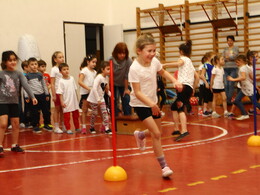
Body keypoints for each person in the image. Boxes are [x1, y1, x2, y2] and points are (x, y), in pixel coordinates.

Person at [129, 34, 183, 178]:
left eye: (154, 51)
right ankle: (164, 167)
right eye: (149, 51)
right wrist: (152, 104)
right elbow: (137, 92)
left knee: (158, 131)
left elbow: (162, 71)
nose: (152, 54)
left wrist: (174, 80)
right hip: (140, 104)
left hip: (153, 101)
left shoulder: (154, 62)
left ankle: (140, 135)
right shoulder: (134, 68)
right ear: (139, 51)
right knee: (157, 134)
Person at [0, 51, 37, 157]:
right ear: (5, 62)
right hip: (2, 102)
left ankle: (14, 145)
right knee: (3, 124)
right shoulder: (1, 74)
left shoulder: (19, 73)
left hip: (14, 102)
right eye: (10, 60)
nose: (13, 62)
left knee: (16, 124)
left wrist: (32, 96)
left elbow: (26, 85)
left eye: (14, 60)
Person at [165, 40, 199, 141]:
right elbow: (197, 77)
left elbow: (179, 63)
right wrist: (193, 88)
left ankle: (184, 130)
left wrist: (164, 65)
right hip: (188, 87)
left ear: (181, 52)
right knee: (174, 107)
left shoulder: (183, 59)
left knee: (180, 108)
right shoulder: (190, 62)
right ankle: (176, 129)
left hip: (183, 87)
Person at [227, 55, 260, 120]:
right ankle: (244, 114)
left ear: (241, 61)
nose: (236, 64)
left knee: (255, 103)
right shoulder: (247, 67)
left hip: (248, 88)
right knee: (237, 100)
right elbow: (252, 78)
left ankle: (244, 114)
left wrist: (233, 79)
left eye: (237, 62)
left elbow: (243, 77)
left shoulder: (242, 68)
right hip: (244, 88)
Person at [24, 57, 52, 133]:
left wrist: (46, 94)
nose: (34, 66)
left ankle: (46, 124)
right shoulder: (27, 76)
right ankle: (35, 125)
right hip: (34, 97)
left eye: (35, 64)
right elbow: (25, 87)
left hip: (42, 95)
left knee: (46, 111)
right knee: (35, 112)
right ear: (28, 66)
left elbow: (44, 85)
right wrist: (26, 96)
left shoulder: (40, 75)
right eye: (32, 64)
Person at [87, 61, 112, 134]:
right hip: (94, 98)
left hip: (101, 98)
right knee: (94, 113)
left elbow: (106, 88)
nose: (109, 71)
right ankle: (91, 127)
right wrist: (97, 99)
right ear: (102, 69)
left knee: (105, 113)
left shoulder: (106, 78)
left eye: (110, 69)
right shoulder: (99, 77)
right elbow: (94, 88)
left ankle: (107, 128)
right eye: (107, 69)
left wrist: (110, 95)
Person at [109, 42, 132, 116]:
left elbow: (127, 75)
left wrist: (126, 89)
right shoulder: (110, 60)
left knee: (126, 99)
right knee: (113, 101)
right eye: (120, 53)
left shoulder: (128, 61)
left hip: (123, 83)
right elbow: (107, 74)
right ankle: (114, 120)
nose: (122, 55)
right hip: (113, 83)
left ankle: (128, 119)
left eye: (124, 53)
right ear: (116, 53)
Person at [56, 63, 80, 134]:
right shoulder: (61, 81)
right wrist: (62, 102)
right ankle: (68, 128)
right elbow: (60, 93)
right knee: (67, 116)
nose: (66, 71)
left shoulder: (72, 78)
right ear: (60, 72)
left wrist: (77, 100)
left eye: (67, 69)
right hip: (66, 101)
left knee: (76, 115)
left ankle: (77, 127)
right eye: (64, 69)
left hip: (74, 101)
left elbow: (75, 90)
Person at [78, 55, 97, 134]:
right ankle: (84, 126)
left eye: (95, 62)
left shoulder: (95, 72)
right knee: (84, 110)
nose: (94, 64)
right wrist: (88, 88)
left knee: (94, 110)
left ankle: (92, 126)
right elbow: (80, 81)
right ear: (88, 62)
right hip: (85, 93)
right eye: (93, 62)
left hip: (92, 93)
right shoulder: (84, 70)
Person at [50, 51, 66, 133]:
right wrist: (54, 95)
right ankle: (56, 126)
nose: (62, 58)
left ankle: (63, 125)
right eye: (60, 57)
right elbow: (52, 83)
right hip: (57, 92)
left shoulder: (63, 68)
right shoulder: (54, 69)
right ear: (55, 59)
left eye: (63, 57)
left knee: (63, 109)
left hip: (63, 92)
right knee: (57, 109)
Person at [223, 35, 239, 104]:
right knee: (226, 84)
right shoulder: (225, 49)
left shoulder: (236, 48)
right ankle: (227, 99)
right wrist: (229, 58)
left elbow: (235, 56)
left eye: (231, 40)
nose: (229, 42)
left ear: (233, 41)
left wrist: (228, 58)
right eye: (228, 40)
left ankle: (229, 100)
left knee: (231, 84)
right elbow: (223, 57)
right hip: (225, 68)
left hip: (233, 68)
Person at [38, 59, 52, 128]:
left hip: (47, 94)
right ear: (38, 67)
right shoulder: (36, 75)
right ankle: (38, 123)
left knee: (47, 109)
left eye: (44, 66)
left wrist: (48, 88)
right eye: (42, 66)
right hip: (39, 94)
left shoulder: (47, 75)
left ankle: (47, 122)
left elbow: (51, 83)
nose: (44, 68)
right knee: (38, 110)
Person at [200, 52, 215, 117]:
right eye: (213, 57)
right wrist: (206, 83)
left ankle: (211, 109)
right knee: (206, 98)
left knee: (211, 97)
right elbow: (202, 75)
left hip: (211, 84)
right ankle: (204, 110)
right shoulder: (205, 65)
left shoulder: (213, 65)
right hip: (206, 83)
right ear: (209, 58)